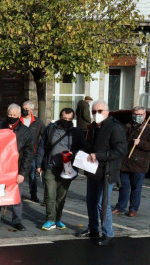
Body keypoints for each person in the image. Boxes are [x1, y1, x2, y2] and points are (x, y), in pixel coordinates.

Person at [75, 100, 127, 246]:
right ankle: (93, 229)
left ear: (107, 112)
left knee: (102, 203)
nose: (96, 114)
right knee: (91, 201)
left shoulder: (115, 127)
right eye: (93, 111)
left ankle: (108, 232)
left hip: (107, 171)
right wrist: (80, 154)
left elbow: (121, 150)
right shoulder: (93, 127)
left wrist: (99, 155)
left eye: (100, 111)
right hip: (93, 170)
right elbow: (90, 146)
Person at [36, 108, 86, 230]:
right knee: (50, 195)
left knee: (61, 197)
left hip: (67, 169)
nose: (67, 121)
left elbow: (83, 149)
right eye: (65, 118)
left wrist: (72, 153)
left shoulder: (77, 132)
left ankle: (58, 219)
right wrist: (38, 164)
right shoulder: (51, 129)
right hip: (50, 166)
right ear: (60, 116)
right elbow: (42, 146)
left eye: (70, 119)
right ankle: (49, 219)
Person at [0, 104, 33, 231]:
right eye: (9, 115)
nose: (11, 117)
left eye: (14, 115)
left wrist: (22, 173)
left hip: (16, 170)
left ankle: (17, 220)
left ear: (19, 116)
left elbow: (28, 155)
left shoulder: (25, 131)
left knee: (16, 196)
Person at [113, 106, 150, 217]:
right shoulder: (127, 126)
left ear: (144, 115)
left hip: (140, 163)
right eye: (135, 114)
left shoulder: (148, 129)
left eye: (139, 115)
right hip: (125, 162)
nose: (136, 117)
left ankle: (133, 209)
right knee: (124, 186)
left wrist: (141, 143)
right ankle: (120, 207)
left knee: (136, 187)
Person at [22, 101, 45, 203]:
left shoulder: (38, 122)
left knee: (32, 175)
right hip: (19, 153)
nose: (24, 110)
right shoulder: (19, 120)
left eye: (26, 109)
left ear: (31, 110)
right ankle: (17, 194)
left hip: (32, 153)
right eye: (23, 108)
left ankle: (33, 194)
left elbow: (44, 135)